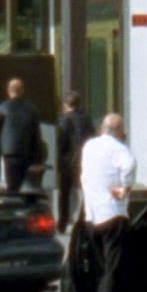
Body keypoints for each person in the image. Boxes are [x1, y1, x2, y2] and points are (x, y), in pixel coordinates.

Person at [79, 112, 137, 292]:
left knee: (103, 271)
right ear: (119, 131)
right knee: (113, 273)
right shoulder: (119, 149)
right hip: (113, 215)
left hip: (92, 217)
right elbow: (129, 165)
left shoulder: (89, 147)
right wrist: (125, 187)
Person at [0, 77, 43, 192]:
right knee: (26, 187)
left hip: (9, 154)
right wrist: (38, 160)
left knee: (11, 187)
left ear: (8, 90)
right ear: (22, 91)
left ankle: (12, 200)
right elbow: (36, 136)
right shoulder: (32, 110)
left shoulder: (1, 109)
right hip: (26, 154)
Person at [54, 90, 96, 230]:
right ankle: (83, 220)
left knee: (64, 193)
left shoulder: (65, 119)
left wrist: (59, 160)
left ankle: (63, 222)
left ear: (66, 104)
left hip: (68, 161)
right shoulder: (87, 119)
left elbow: (61, 142)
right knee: (87, 191)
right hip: (86, 160)